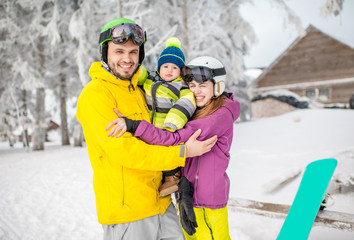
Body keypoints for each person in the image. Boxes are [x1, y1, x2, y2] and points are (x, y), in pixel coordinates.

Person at [76, 18, 217, 240]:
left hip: (161, 203)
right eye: (119, 51)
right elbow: (127, 151)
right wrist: (182, 152)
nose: (127, 59)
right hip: (129, 214)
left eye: (133, 52)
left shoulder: (140, 90)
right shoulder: (96, 94)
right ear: (105, 53)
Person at [107, 56, 241, 239]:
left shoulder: (218, 117)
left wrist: (134, 125)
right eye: (191, 86)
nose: (196, 92)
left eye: (202, 86)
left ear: (218, 87)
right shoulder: (199, 109)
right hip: (188, 196)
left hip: (208, 201)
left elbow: (172, 138)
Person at [137, 37, 196, 197]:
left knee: (167, 154)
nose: (169, 70)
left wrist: (171, 124)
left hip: (167, 129)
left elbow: (186, 103)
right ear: (159, 67)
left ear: (181, 71)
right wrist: (135, 69)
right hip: (150, 128)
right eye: (165, 66)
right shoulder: (151, 79)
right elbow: (139, 75)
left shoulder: (180, 87)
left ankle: (172, 179)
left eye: (174, 68)